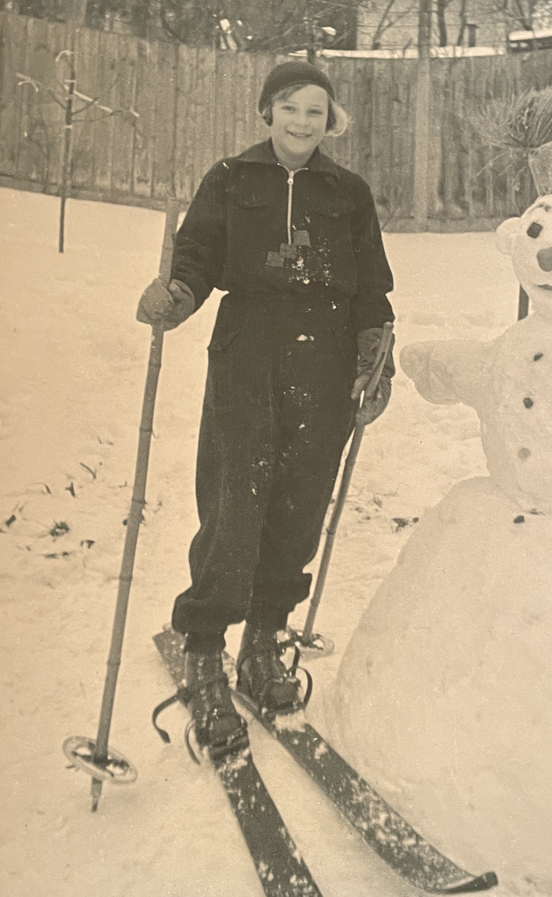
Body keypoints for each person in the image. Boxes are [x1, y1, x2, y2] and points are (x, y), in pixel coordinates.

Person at [138, 61, 395, 758]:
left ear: (329, 119)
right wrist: (177, 296)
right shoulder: (230, 179)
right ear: (266, 112)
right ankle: (205, 644)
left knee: (299, 499)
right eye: (290, 108)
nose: (302, 123)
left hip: (327, 353)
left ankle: (262, 641)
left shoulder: (348, 192)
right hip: (248, 347)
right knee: (235, 495)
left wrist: (376, 347)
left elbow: (372, 283)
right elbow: (195, 256)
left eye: (316, 111)